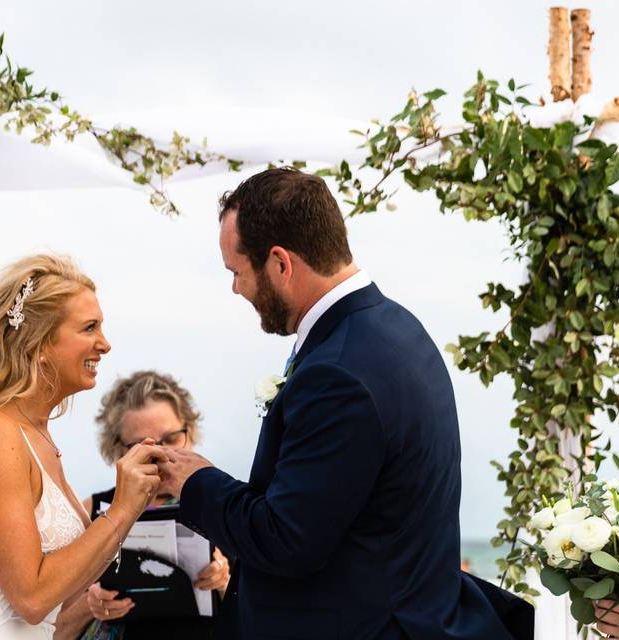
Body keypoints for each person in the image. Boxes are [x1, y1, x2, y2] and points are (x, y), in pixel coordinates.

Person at [156, 168, 534, 639]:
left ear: (279, 263)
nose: (237, 289)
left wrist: (198, 482)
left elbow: (287, 539)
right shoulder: (397, 328)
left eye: (238, 272)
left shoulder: (337, 371)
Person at [0, 255, 167, 639]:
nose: (105, 344)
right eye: (89, 328)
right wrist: (122, 507)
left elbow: (54, 593)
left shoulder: (36, 437)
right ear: (40, 342)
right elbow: (31, 597)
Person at [54, 371, 231, 640]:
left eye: (171, 438)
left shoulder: (221, 505)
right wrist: (90, 605)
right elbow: (50, 631)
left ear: (190, 433)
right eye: (142, 445)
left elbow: (261, 615)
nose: (160, 454)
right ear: (117, 449)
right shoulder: (88, 512)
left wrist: (223, 583)